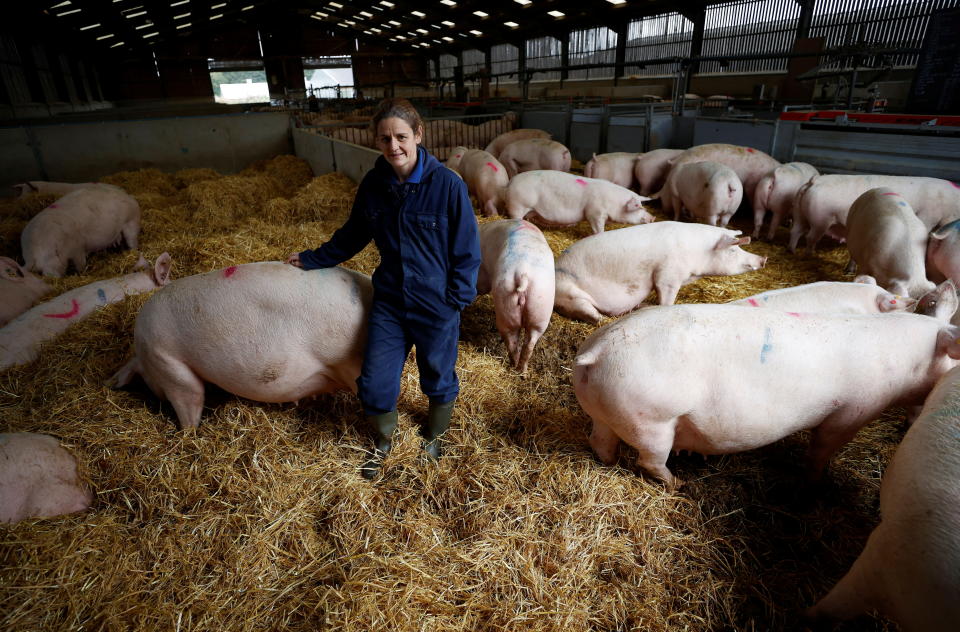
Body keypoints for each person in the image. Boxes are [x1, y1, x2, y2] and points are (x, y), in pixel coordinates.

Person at [286, 98, 481, 479]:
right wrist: (313, 258)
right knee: (374, 380)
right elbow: (354, 233)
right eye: (385, 138)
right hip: (390, 300)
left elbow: (467, 249)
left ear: (419, 135)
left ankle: (434, 435)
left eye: (401, 137)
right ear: (376, 140)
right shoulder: (374, 184)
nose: (394, 146)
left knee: (438, 375)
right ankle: (384, 441)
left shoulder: (446, 186)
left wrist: (456, 300)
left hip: (435, 301)